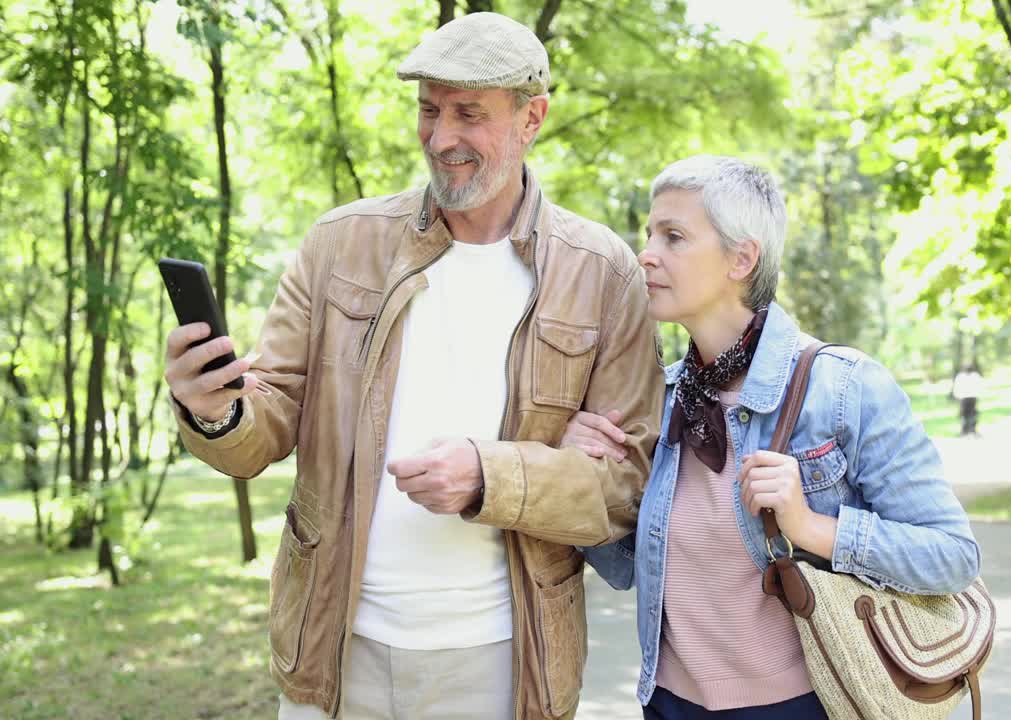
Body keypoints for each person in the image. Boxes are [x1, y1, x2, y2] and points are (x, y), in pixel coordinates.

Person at [162, 12, 664, 720]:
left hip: (503, 661)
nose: (441, 137)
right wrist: (215, 409)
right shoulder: (340, 244)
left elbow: (626, 488)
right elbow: (266, 422)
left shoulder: (603, 272)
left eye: (468, 113)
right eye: (429, 110)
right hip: (334, 647)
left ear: (532, 119)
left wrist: (490, 475)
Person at [561, 156, 980, 719]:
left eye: (674, 236)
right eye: (650, 234)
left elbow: (953, 557)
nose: (647, 254)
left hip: (803, 705)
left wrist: (813, 528)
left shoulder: (844, 387)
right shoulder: (658, 400)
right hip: (668, 704)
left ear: (742, 258)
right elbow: (628, 566)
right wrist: (581, 475)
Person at [951, 363, 985, 436]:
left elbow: (957, 387)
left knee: (968, 414)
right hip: (968, 397)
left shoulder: (962, 376)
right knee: (968, 414)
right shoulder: (974, 376)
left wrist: (957, 396)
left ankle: (969, 430)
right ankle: (967, 430)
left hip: (967, 398)